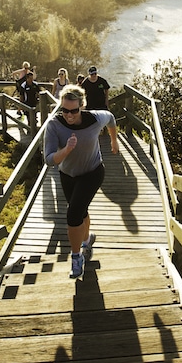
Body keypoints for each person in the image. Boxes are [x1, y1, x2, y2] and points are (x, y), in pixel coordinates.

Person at [44, 84, 118, 279]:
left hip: (93, 172)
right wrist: (66, 150)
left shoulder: (94, 118)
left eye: (74, 111)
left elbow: (111, 118)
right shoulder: (54, 125)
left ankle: (76, 258)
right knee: (81, 210)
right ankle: (87, 239)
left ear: (82, 106)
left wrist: (114, 140)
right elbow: (49, 159)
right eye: (65, 110)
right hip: (68, 175)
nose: (69, 115)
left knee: (73, 214)